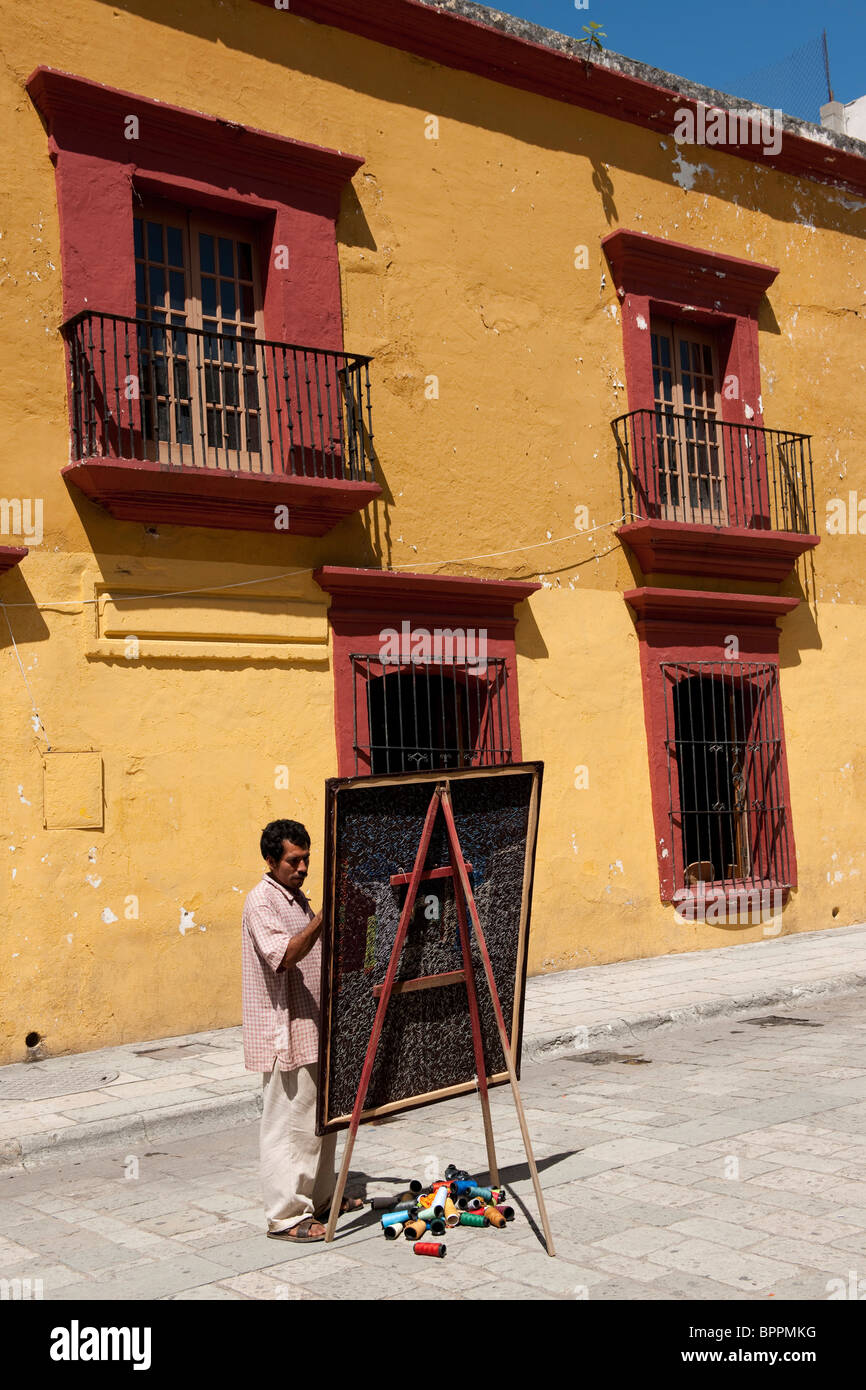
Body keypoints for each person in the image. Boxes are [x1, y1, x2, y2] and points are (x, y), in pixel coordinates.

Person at [241, 818, 363, 1242]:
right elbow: (285, 955)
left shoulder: (295, 899)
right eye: (295, 860)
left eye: (307, 858)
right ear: (271, 859)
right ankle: (286, 1215)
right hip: (283, 1029)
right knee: (289, 1124)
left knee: (320, 1120)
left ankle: (323, 1198)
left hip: (312, 1025)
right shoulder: (261, 901)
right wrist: (325, 916)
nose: (304, 867)